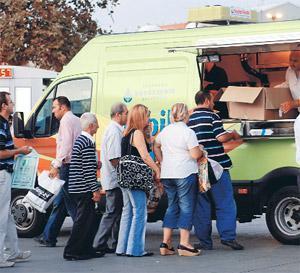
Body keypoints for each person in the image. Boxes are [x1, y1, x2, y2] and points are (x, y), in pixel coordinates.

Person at [188, 91, 244, 251]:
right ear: (206, 100)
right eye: (212, 101)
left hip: (199, 167)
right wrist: (232, 134)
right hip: (217, 166)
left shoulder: (189, 119)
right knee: (225, 202)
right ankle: (228, 237)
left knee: (202, 204)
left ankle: (205, 241)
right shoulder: (212, 116)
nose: (214, 104)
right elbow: (220, 137)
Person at [153, 103, 203, 257]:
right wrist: (200, 149)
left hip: (168, 173)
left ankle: (165, 244)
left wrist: (162, 161)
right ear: (185, 115)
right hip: (185, 173)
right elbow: (195, 155)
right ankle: (184, 244)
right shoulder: (188, 132)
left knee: (172, 206)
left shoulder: (165, 131)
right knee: (186, 207)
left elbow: (156, 146)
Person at [35, 96, 81, 247]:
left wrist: (56, 164)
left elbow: (66, 145)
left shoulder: (66, 121)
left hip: (68, 165)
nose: (53, 111)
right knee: (60, 202)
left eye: (54, 107)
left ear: (62, 107)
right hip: (71, 165)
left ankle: (84, 235)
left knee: (70, 204)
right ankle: (48, 236)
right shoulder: (75, 119)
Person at [116, 104, 160, 257]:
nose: (149, 119)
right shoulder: (137, 134)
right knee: (140, 212)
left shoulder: (126, 133)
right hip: (135, 178)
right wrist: (157, 169)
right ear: (141, 117)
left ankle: (122, 247)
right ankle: (135, 249)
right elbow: (145, 156)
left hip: (124, 177)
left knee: (127, 211)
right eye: (147, 116)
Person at [63, 113, 103, 260]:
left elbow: (84, 164)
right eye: (97, 124)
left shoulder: (82, 141)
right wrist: (95, 189)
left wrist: (95, 164)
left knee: (88, 220)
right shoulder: (86, 142)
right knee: (83, 222)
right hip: (83, 188)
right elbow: (86, 170)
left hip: (78, 186)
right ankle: (72, 251)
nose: (98, 126)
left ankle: (86, 248)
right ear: (91, 126)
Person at [0, 92, 32, 268]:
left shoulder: (5, 123)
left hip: (5, 174)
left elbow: (6, 147)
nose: (13, 104)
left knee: (8, 215)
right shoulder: (0, 124)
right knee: (2, 217)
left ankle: (14, 251)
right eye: (10, 102)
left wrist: (20, 149)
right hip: (2, 174)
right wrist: (19, 152)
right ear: (4, 106)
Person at [93, 103, 128, 253]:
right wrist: (124, 174)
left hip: (113, 178)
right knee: (112, 212)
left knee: (116, 213)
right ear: (118, 114)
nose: (128, 116)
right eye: (126, 113)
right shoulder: (114, 132)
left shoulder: (115, 130)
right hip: (114, 180)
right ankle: (99, 243)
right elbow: (114, 159)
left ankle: (114, 243)